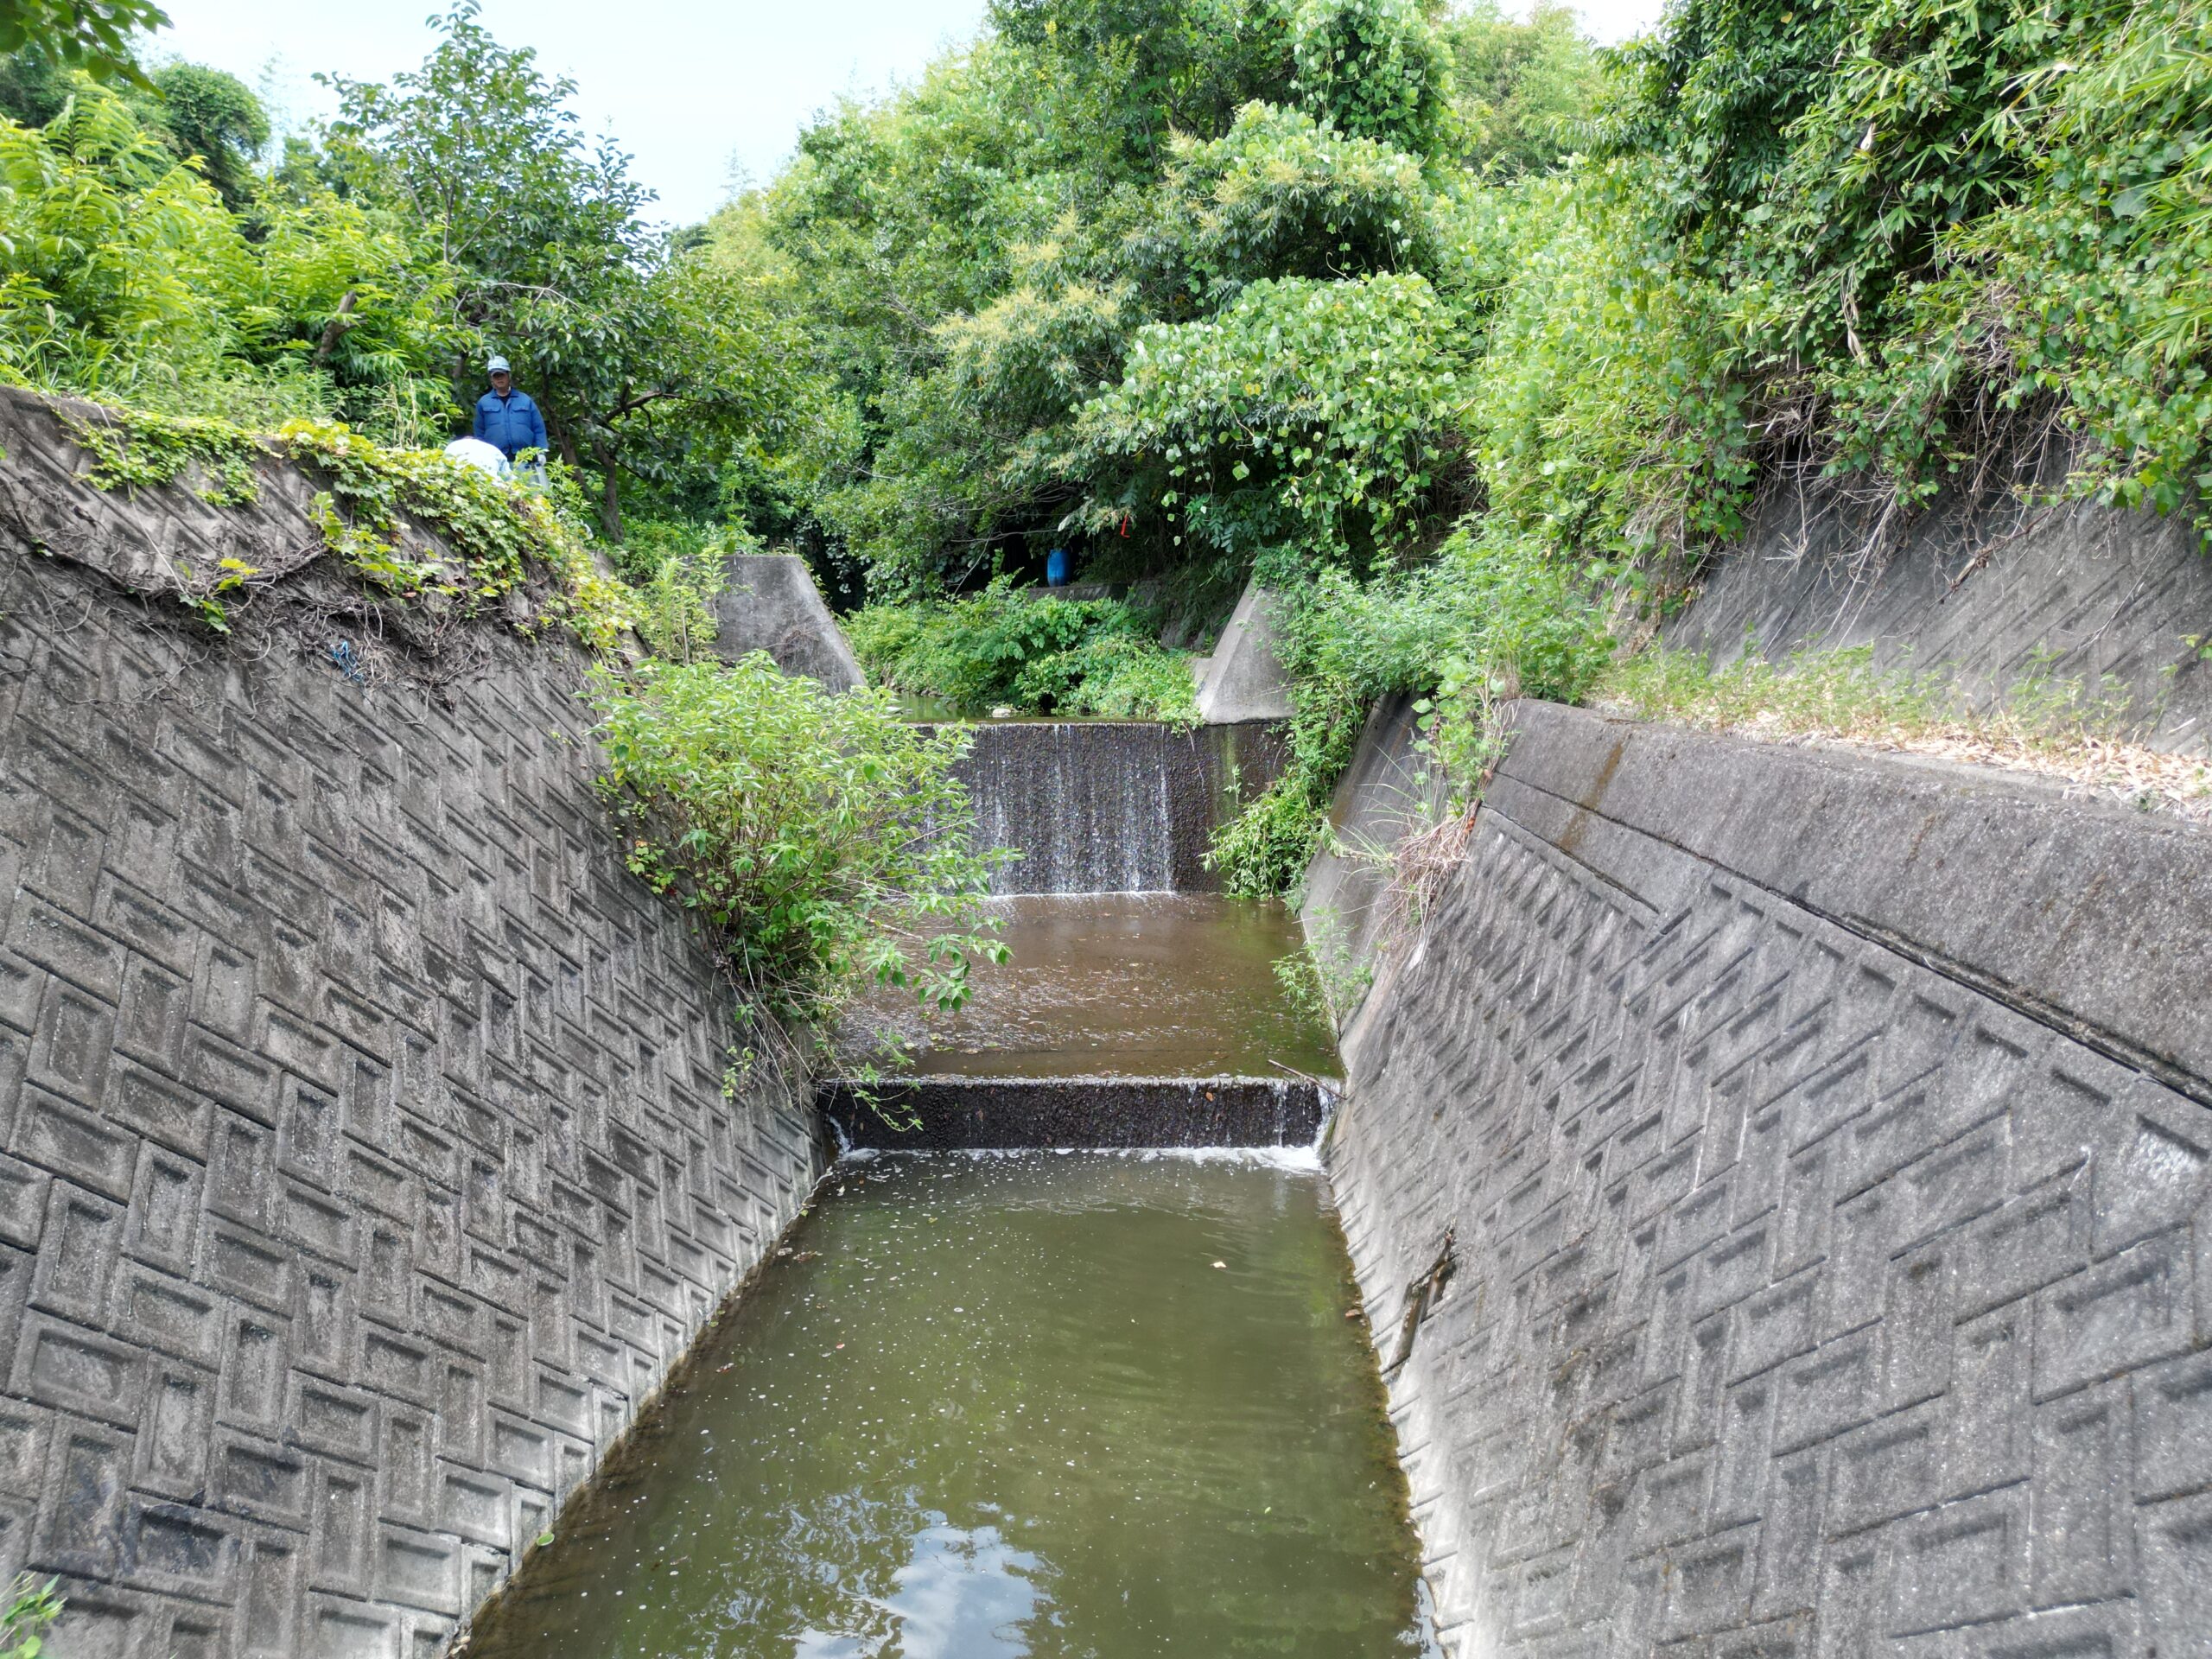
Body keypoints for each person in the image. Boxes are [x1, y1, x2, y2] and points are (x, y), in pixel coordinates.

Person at [473, 355, 547, 466]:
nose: (499, 379)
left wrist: (541, 451)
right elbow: (479, 432)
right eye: (495, 376)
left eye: (502, 375)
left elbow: (538, 428)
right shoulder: (484, 402)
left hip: (525, 459)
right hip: (496, 459)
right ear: (491, 379)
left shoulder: (525, 400)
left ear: (508, 375)